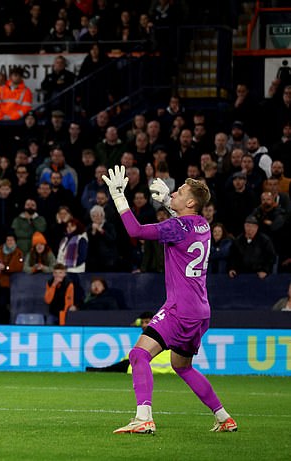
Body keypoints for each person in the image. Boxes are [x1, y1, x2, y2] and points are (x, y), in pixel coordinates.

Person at [102, 166, 237, 434]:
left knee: (138, 355)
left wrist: (119, 197)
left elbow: (136, 231)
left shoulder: (178, 226)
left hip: (179, 309)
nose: (173, 192)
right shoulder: (203, 225)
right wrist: (167, 201)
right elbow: (185, 224)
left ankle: (144, 418)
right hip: (201, 311)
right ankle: (224, 417)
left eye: (179, 192)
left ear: (190, 202)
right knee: (181, 366)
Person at [86, 312, 174, 373]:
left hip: (152, 366)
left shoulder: (155, 336)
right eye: (142, 322)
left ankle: (100, 371)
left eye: (146, 322)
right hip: (155, 366)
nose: (144, 325)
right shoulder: (161, 331)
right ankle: (101, 370)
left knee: (126, 363)